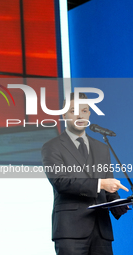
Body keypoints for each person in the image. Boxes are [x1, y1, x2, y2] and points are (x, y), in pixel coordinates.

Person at [41, 92, 129, 255]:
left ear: (89, 113)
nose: (80, 115)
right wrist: (101, 184)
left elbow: (108, 186)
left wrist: (121, 203)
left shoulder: (102, 147)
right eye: (73, 110)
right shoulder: (52, 147)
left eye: (84, 110)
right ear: (64, 114)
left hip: (101, 230)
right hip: (71, 231)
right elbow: (61, 182)